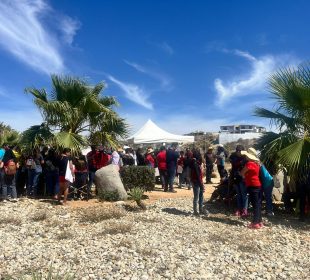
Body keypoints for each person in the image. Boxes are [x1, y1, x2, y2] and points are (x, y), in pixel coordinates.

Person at [240, 151, 262, 229]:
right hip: (258, 185)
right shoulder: (257, 164)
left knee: (255, 205)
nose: (246, 157)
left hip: (252, 185)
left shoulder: (249, 164)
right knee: (258, 204)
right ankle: (259, 221)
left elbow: (242, 172)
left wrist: (244, 176)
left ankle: (255, 223)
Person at [229, 145, 248, 217]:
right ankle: (239, 209)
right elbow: (232, 164)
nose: (238, 152)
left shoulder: (245, 158)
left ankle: (245, 210)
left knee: (244, 195)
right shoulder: (233, 157)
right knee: (239, 194)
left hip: (243, 178)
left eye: (239, 150)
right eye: (237, 150)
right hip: (235, 177)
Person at [191, 149, 208, 216]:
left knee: (200, 196)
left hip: (198, 181)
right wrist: (201, 185)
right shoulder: (195, 163)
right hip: (197, 182)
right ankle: (196, 211)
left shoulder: (196, 162)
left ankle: (200, 210)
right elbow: (198, 175)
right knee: (196, 197)